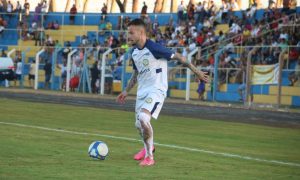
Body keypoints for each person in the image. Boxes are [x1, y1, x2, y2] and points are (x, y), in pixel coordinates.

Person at [116, 19, 209, 167]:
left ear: (141, 33)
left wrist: (197, 72)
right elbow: (136, 74)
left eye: (131, 33)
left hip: (156, 89)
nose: (128, 36)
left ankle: (149, 158)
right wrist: (126, 91)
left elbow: (179, 57)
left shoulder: (155, 48)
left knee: (143, 118)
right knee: (139, 124)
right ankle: (149, 146)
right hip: (142, 92)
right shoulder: (134, 53)